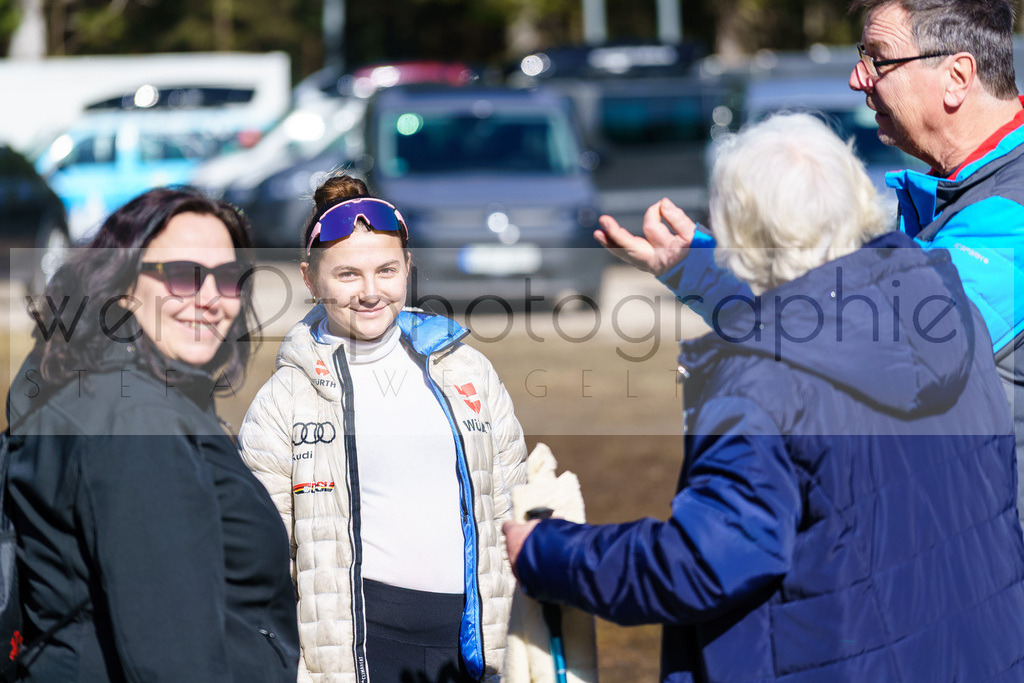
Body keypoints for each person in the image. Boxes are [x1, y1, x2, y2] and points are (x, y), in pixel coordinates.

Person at [504, 113, 1024, 681]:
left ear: (740, 234)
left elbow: (705, 562)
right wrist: (693, 266)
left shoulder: (760, 376)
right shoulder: (949, 307)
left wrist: (549, 553)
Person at [597, 0, 1024, 522]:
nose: (856, 78)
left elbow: (883, 348)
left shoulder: (1011, 211)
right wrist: (695, 265)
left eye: (879, 59)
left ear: (957, 76)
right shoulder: (954, 194)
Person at [239, 174, 528, 682]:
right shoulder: (282, 402)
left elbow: (513, 504)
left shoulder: (467, 371)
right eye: (348, 274)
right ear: (310, 279)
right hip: (357, 649)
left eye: (387, 270)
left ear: (408, 269)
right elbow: (260, 562)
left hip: (473, 644)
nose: (371, 292)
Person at [5, 187, 299, 681]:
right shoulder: (139, 423)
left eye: (229, 279)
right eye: (183, 275)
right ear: (121, 286)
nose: (210, 299)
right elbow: (174, 660)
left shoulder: (86, 385)